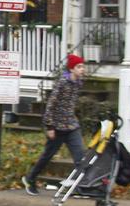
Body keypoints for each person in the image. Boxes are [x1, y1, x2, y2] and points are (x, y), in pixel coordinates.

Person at [21, 54, 86, 196]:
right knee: (47, 156)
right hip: (57, 127)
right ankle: (29, 178)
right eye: (79, 67)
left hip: (71, 126)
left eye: (82, 66)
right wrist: (49, 126)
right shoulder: (62, 82)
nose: (82, 69)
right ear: (71, 68)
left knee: (80, 156)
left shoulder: (79, 82)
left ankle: (79, 186)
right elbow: (51, 104)